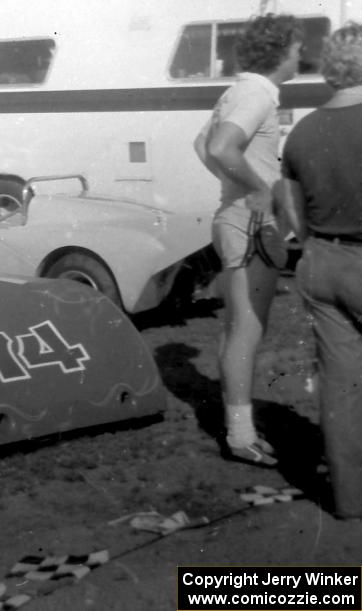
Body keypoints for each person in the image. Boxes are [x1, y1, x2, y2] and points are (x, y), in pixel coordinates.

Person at [193, 14, 302, 467]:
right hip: (250, 224)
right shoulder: (256, 92)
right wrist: (257, 190)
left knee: (236, 327)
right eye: (297, 47)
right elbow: (219, 148)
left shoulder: (239, 90)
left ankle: (237, 425)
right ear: (280, 52)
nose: (302, 54)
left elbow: (203, 145)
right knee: (247, 329)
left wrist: (238, 188)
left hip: (235, 218)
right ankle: (240, 435)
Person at [279, 23, 362, 520]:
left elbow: (293, 214)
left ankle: (351, 501)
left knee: (341, 386)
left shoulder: (302, 132)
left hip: (322, 263)